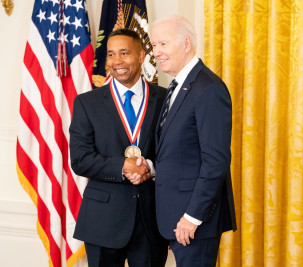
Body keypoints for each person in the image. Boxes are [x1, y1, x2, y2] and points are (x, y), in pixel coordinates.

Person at [69, 29, 168, 267]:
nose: (117, 62)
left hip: (151, 220)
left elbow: (176, 153)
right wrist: (122, 166)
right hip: (102, 221)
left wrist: (150, 169)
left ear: (142, 55)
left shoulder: (166, 99)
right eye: (111, 55)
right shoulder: (86, 103)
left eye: (124, 53)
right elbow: (80, 159)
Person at [150, 15, 237, 266]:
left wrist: (192, 217)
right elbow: (180, 150)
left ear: (186, 44)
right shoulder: (180, 85)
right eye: (154, 46)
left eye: (163, 45)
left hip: (194, 221)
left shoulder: (208, 88)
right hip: (175, 218)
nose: (156, 53)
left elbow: (215, 162)